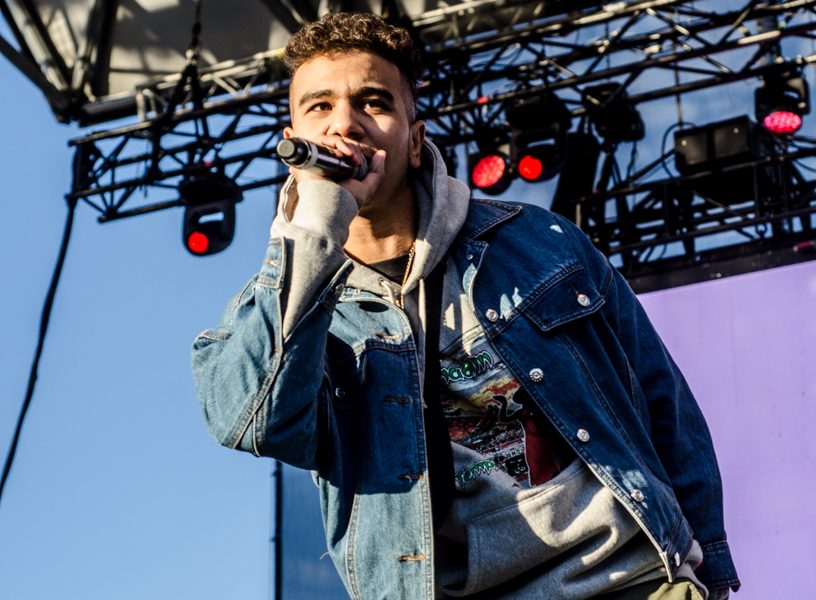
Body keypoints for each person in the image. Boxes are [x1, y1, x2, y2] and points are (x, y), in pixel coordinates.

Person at [192, 11, 739, 600]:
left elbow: (663, 401)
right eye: (319, 106)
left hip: (625, 580)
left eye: (373, 102)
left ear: (415, 139)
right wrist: (315, 227)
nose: (344, 124)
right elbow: (256, 421)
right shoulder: (282, 303)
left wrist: (709, 574)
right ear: (294, 141)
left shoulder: (538, 241)